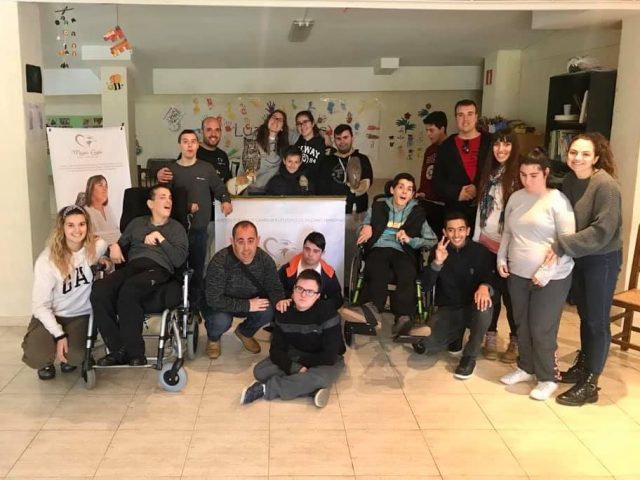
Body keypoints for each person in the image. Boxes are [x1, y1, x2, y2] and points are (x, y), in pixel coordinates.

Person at [544, 133, 622, 407]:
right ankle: (584, 364)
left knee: (597, 320)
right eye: (574, 152)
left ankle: (591, 382)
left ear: (596, 157)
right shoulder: (569, 180)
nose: (578, 158)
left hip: (602, 259)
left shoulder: (606, 185)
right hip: (580, 257)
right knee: (585, 316)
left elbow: (602, 231)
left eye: (585, 154)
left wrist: (561, 245)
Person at [497, 148, 575, 401]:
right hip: (518, 273)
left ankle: (547, 377)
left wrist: (546, 271)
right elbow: (507, 232)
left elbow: (567, 243)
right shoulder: (516, 198)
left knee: (542, 327)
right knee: (521, 323)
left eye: (533, 175)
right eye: (523, 175)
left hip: (552, 277)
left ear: (545, 173)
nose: (527, 180)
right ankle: (526, 367)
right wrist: (501, 257)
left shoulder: (558, 201)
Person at [91, 185, 188, 366]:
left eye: (170, 198)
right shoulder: (136, 224)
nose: (168, 201)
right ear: (150, 204)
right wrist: (114, 246)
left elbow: (178, 260)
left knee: (130, 289)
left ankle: (136, 353)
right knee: (99, 288)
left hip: (158, 270)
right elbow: (120, 245)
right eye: (163, 197)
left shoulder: (176, 228)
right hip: (132, 267)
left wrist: (160, 238)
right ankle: (118, 350)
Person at [340, 172, 437, 337]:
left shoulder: (417, 213)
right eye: (401, 187)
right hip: (380, 246)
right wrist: (365, 228)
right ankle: (371, 309)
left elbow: (432, 240)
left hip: (403, 250)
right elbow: (362, 229)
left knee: (408, 271)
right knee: (378, 266)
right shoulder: (378, 206)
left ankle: (403, 318)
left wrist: (411, 240)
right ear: (392, 190)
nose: (404, 192)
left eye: (409, 189)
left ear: (413, 194)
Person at [22, 205, 109, 380]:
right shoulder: (47, 261)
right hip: (52, 314)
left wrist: (106, 259)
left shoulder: (97, 247)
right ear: (61, 228)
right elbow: (40, 306)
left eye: (82, 224)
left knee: (76, 357)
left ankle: (70, 355)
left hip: (80, 315)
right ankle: (46, 360)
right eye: (70, 225)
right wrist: (59, 334)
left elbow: (103, 246)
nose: (77, 230)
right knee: (37, 355)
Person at [240, 269, 345, 408]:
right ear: (293, 291)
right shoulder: (284, 311)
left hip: (325, 359)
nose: (303, 294)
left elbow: (329, 356)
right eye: (299, 289)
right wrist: (295, 368)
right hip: (295, 353)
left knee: (321, 378)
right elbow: (276, 350)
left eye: (310, 291)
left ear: (317, 296)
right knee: (260, 371)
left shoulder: (328, 313)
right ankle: (310, 389)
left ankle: (265, 389)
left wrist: (299, 363)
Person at [417, 211, 498, 379]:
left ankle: (469, 357)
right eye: (451, 230)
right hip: (449, 309)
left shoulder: (480, 252)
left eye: (460, 229)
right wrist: (437, 263)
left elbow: (492, 279)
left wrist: (485, 286)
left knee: (484, 307)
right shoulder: (438, 250)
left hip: (474, 307)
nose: (456, 235)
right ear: (444, 232)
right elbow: (425, 286)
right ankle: (456, 335)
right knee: (425, 345)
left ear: (468, 231)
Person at [156, 129, 232, 307]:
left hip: (199, 228)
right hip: (175, 231)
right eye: (185, 141)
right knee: (176, 267)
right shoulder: (170, 170)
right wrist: (186, 206)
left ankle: (195, 306)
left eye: (193, 141)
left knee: (198, 268)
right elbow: (162, 197)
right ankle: (176, 303)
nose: (189, 145)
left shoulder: (206, 168)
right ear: (179, 145)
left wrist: (225, 200)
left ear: (198, 145)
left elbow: (219, 188)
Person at [201, 220, 285, 359]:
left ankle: (245, 332)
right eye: (240, 241)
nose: (246, 248)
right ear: (232, 241)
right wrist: (247, 305)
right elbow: (213, 300)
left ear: (257, 241)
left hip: (249, 303)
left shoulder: (265, 260)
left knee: (268, 310)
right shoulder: (219, 261)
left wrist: (280, 301)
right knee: (221, 320)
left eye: (250, 241)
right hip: (220, 306)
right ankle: (213, 338)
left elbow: (274, 287)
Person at [473, 129, 521, 363]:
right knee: (490, 293)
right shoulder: (489, 173)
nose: (501, 150)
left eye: (506, 144)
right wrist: (476, 238)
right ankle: (490, 336)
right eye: (497, 145)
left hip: (509, 247)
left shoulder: (519, 176)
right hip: (485, 242)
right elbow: (480, 209)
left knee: (511, 297)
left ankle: (515, 340)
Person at [317, 123, 374, 273]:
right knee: (331, 252)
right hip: (333, 215)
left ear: (352, 138)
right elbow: (321, 188)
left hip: (356, 214)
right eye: (338, 138)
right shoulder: (328, 160)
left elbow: (367, 183)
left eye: (345, 137)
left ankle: (351, 283)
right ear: (334, 140)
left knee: (353, 253)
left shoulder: (362, 159)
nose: (342, 141)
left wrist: (355, 188)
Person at [433, 99, 491, 232]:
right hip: (455, 214)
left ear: (476, 117)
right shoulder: (445, 146)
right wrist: (457, 192)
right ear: (456, 118)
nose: (465, 119)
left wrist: (479, 189)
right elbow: (437, 181)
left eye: (470, 114)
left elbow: (498, 173)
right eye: (461, 115)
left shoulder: (490, 142)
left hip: (486, 211)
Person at [278, 231, 343, 310]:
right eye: (307, 249)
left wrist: (320, 306)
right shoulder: (287, 269)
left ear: (322, 253)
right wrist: (291, 296)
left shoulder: (328, 273)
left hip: (318, 312)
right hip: (291, 309)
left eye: (316, 251)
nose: (310, 254)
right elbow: (274, 289)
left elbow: (337, 299)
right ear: (303, 248)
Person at [416, 111, 448, 238]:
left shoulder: (451, 149)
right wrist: (420, 192)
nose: (428, 134)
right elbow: (424, 175)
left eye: (432, 130)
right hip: (426, 203)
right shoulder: (429, 150)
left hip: (442, 206)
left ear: (442, 129)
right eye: (427, 130)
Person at [83, 175, 121, 245]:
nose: (105, 189)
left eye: (106, 186)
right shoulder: (86, 212)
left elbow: (116, 232)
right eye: (100, 185)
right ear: (91, 189)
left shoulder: (108, 208)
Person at [294, 110, 326, 185]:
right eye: (299, 123)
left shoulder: (323, 142)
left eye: (305, 122)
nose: (302, 126)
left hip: (317, 186)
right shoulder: (295, 143)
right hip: (297, 185)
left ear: (313, 123)